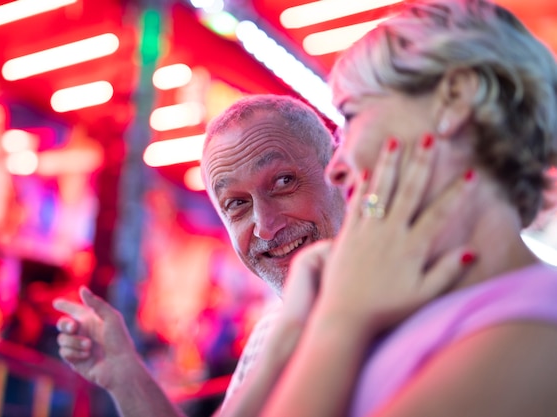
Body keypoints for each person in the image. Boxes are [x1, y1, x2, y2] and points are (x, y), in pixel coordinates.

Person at [248, 1, 557, 416]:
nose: (334, 168)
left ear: (454, 97)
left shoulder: (538, 332)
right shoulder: (389, 302)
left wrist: (338, 318)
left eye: (352, 115)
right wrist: (291, 329)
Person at [53, 94, 347, 416]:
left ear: (341, 173)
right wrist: (125, 375)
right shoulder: (270, 334)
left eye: (283, 182)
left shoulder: (399, 307)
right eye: (236, 204)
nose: (265, 226)